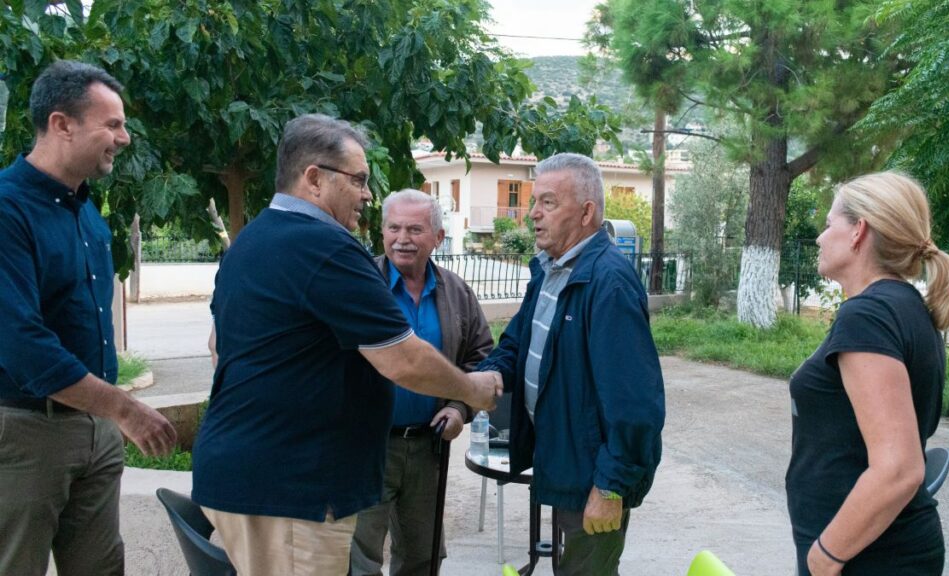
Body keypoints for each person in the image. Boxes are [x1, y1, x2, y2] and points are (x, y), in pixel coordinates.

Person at [192, 114, 501, 576]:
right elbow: (402, 359)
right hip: (293, 494)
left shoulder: (251, 240)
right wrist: (475, 391)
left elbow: (219, 345)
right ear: (314, 178)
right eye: (358, 180)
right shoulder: (326, 247)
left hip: (252, 478)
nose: (367, 195)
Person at [0, 60, 177, 575]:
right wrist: (123, 408)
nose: (124, 138)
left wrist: (107, 414)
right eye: (113, 124)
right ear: (62, 124)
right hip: (25, 430)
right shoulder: (8, 211)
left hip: (94, 429)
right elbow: (21, 343)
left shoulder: (87, 213)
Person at [476, 152, 665, 575]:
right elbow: (517, 344)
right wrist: (481, 380)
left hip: (593, 478)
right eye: (533, 202)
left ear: (586, 213)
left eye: (548, 203)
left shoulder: (608, 282)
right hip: (564, 462)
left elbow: (635, 403)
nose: (533, 215)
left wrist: (611, 486)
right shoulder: (549, 271)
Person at [786, 172, 949, 575]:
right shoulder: (904, 306)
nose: (819, 237)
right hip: (876, 549)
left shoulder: (867, 315)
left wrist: (825, 556)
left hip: (864, 555)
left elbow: (899, 468)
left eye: (829, 224)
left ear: (858, 231)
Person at [350, 189, 493, 576]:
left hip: (429, 446)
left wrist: (460, 407)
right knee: (358, 558)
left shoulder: (457, 292)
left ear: (438, 237)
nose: (402, 238)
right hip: (367, 447)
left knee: (423, 556)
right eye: (393, 227)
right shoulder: (360, 285)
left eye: (415, 229)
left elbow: (481, 357)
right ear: (381, 233)